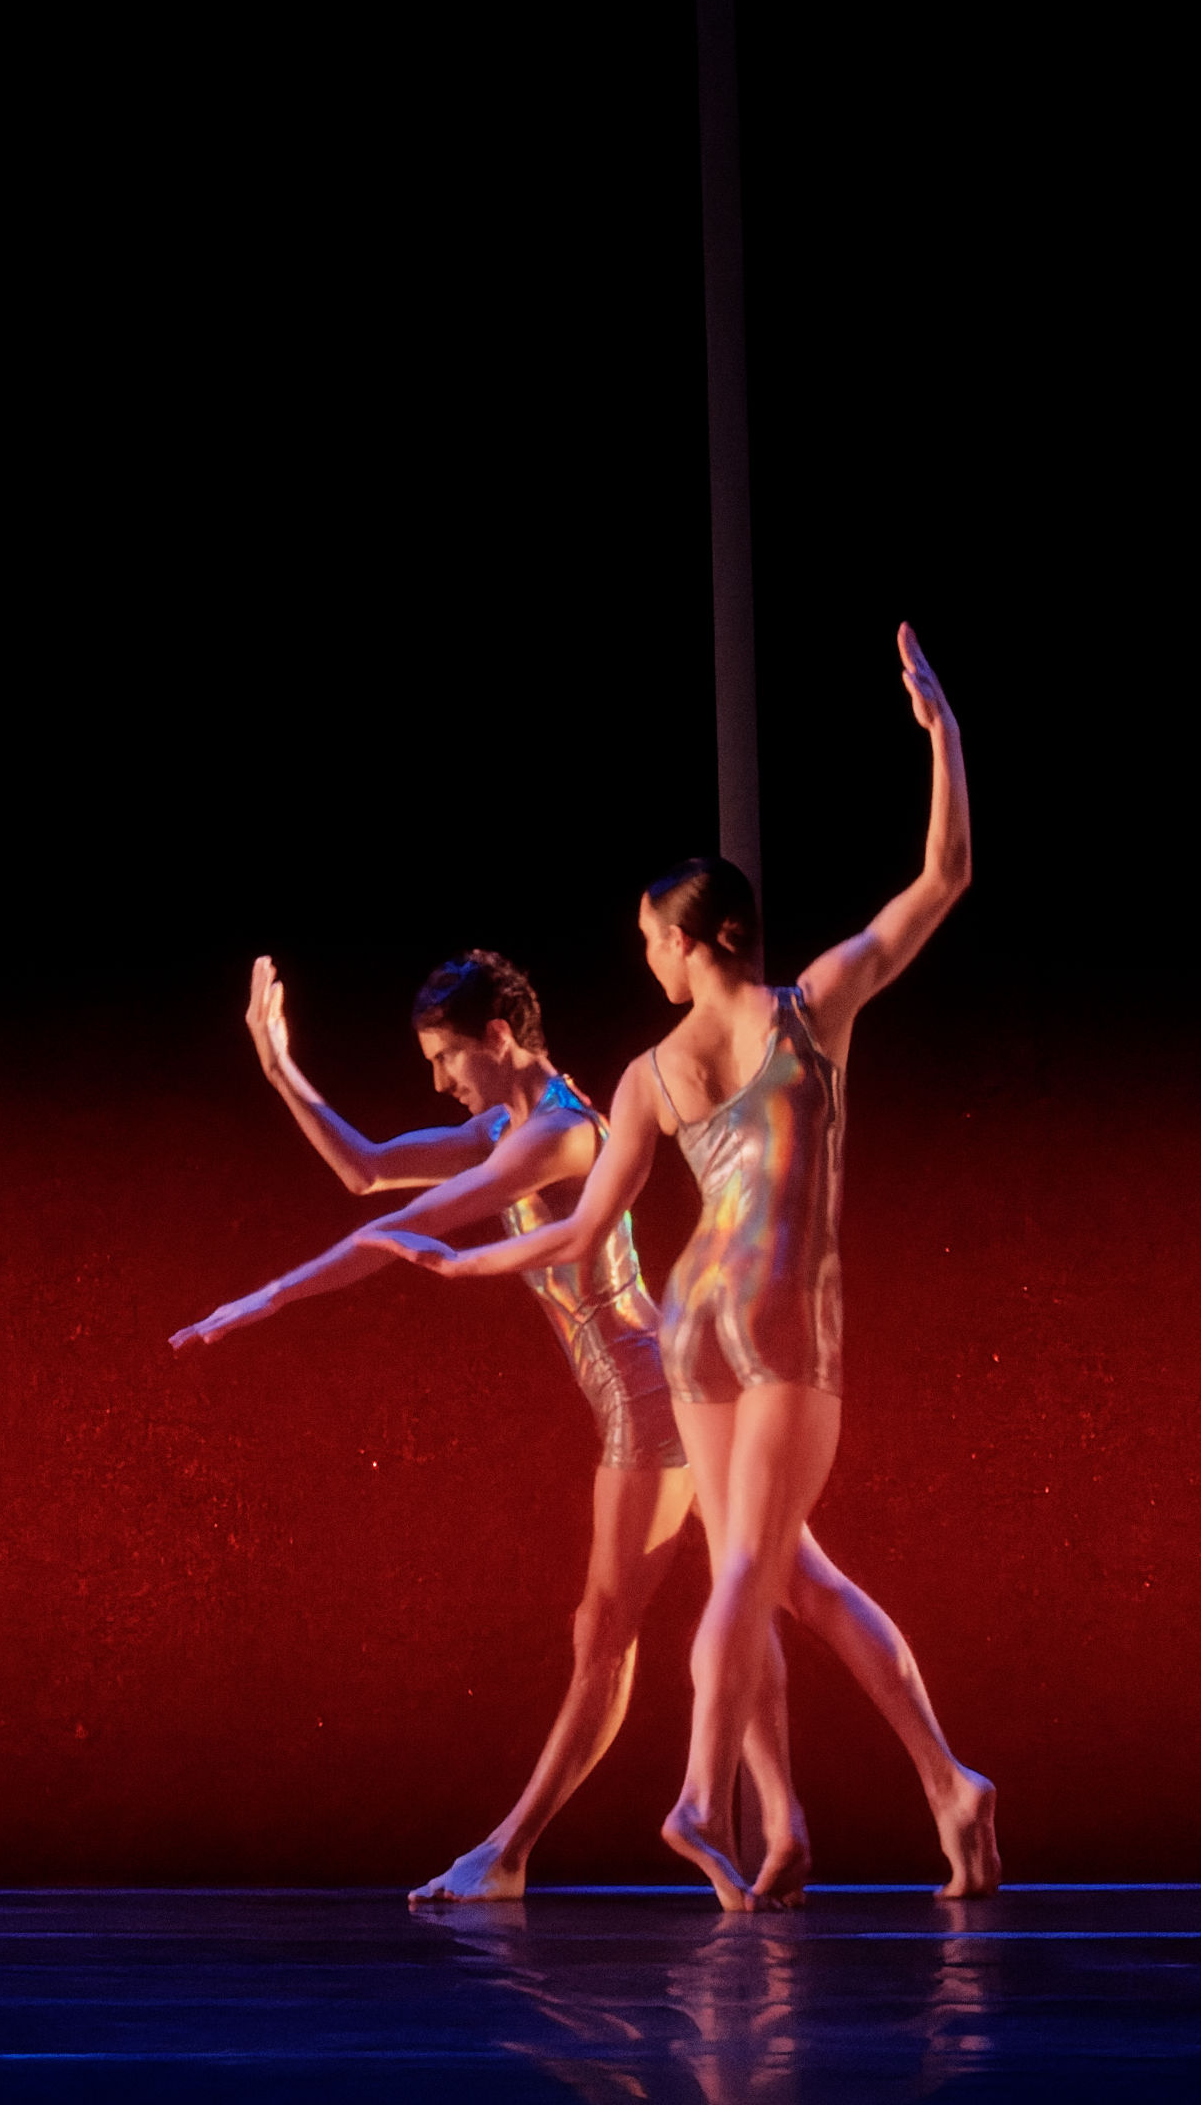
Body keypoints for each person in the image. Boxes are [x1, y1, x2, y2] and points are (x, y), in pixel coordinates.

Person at [387, 624, 1003, 1908]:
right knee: (748, 1575)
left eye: (654, 939)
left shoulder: (649, 1075)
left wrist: (464, 1269)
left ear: (706, 935)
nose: (646, 957)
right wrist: (944, 737)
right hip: (778, 1312)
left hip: (692, 1318)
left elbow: (577, 1235)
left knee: (787, 1576)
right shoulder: (812, 1010)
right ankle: (700, 1797)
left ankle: (926, 1794)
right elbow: (943, 876)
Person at [173, 945, 954, 1904]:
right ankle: (825, 1813)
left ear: (498, 1037)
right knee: (782, 1586)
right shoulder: (508, 1126)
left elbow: (404, 1231)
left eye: (446, 1058)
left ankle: (509, 1853)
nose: (440, 1081)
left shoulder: (559, 1136)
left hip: (648, 1402)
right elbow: (367, 1175)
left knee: (608, 1629)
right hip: (661, 1383)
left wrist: (267, 1297)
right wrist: (277, 1065)